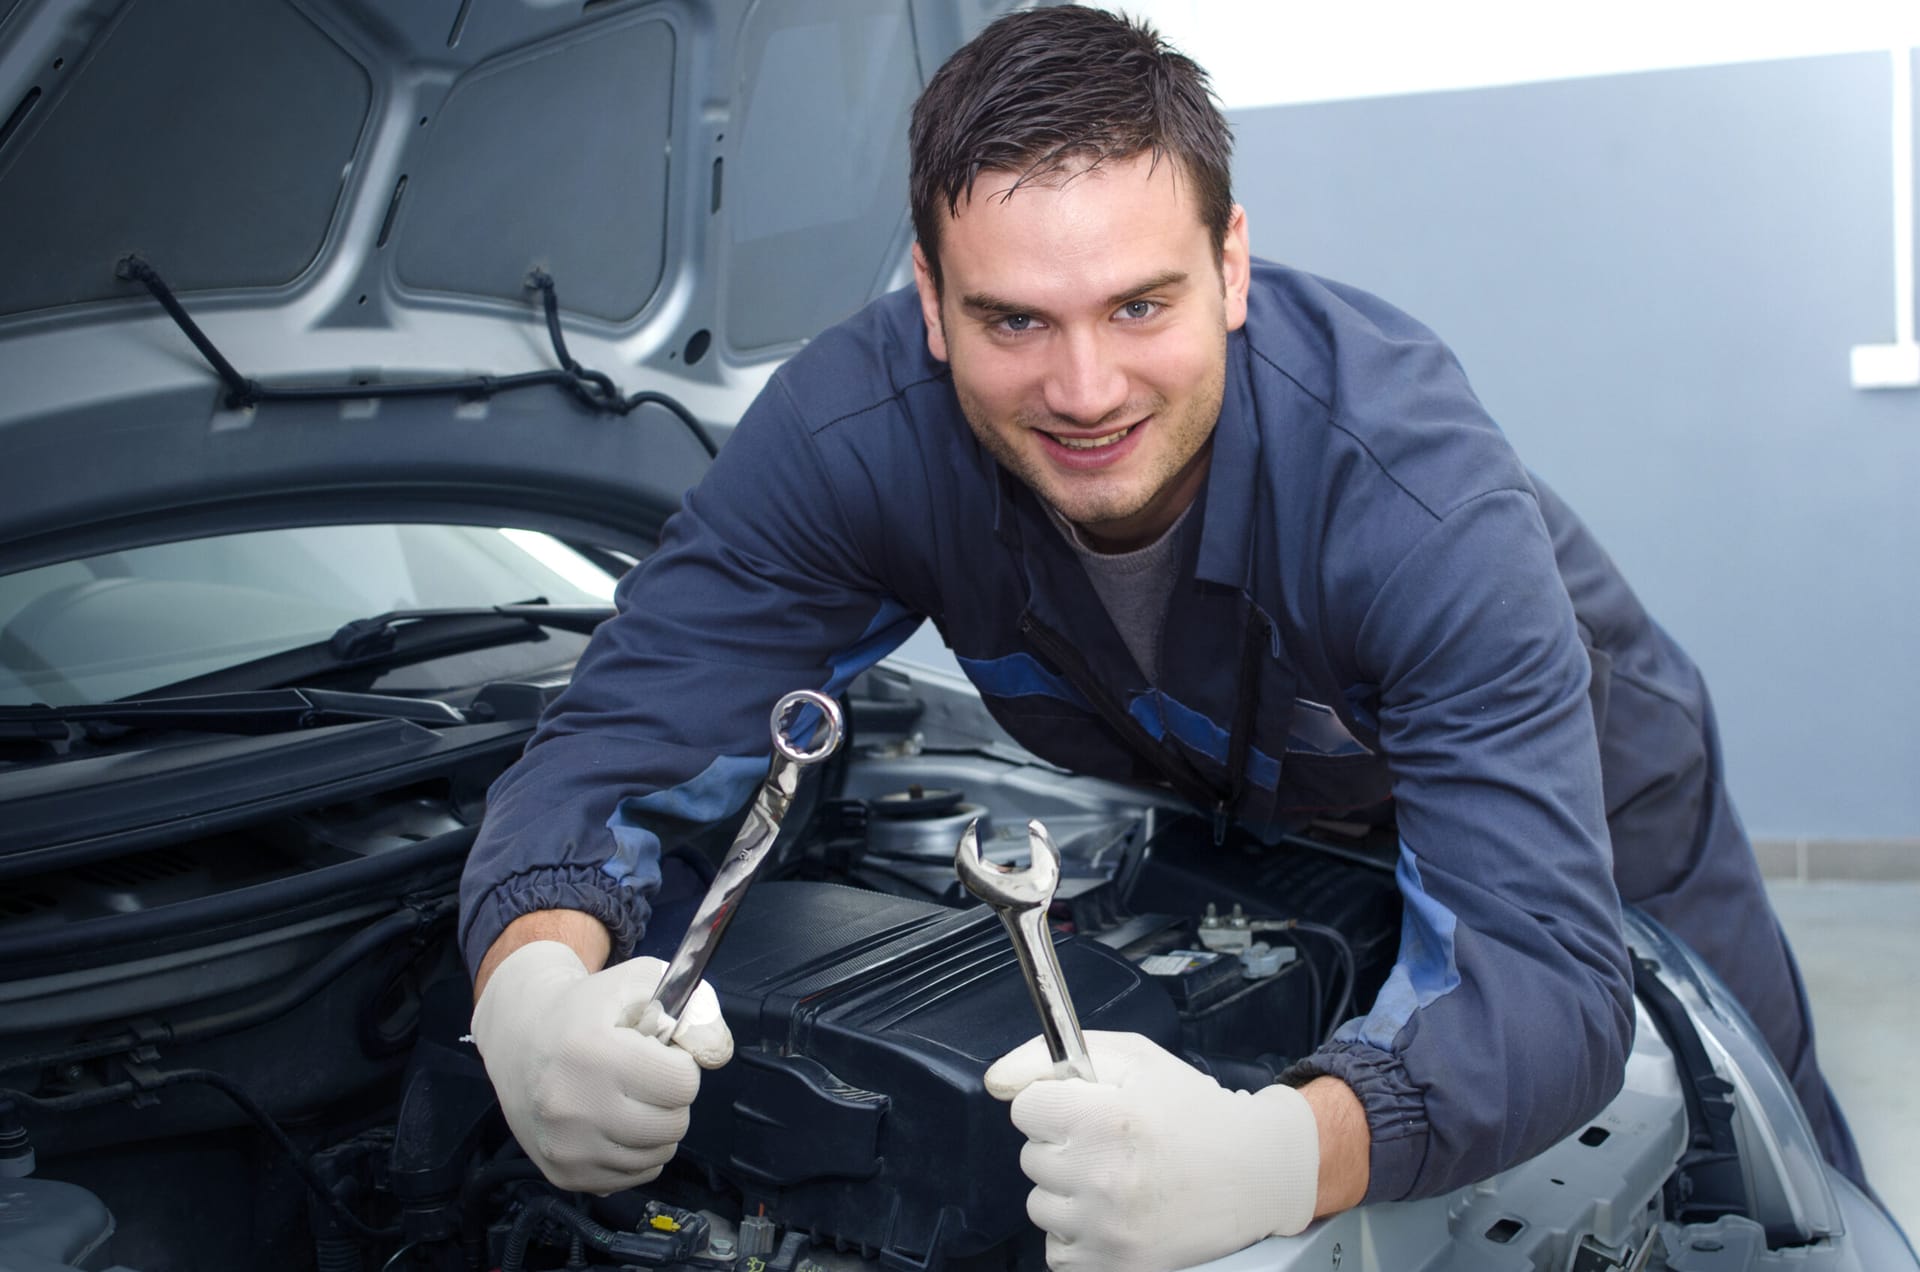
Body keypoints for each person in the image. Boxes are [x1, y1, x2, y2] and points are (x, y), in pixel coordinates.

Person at [461, 7, 1866, 1269]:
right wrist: (531, 986)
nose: (1085, 389)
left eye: (1141, 304)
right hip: (1252, 812)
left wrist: (1276, 1157)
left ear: (1232, 267)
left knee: (1767, 1163)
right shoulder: (854, 439)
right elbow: (632, 729)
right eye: (1015, 318)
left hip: (1595, 791)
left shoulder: (1408, 499)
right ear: (933, 306)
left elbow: (1542, 988)